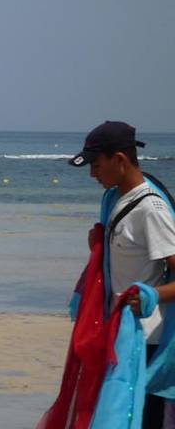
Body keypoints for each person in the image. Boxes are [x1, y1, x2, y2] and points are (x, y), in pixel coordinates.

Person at [65, 121, 175, 428]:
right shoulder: (115, 201)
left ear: (121, 160)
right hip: (119, 335)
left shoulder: (151, 209)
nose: (92, 174)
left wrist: (151, 295)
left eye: (97, 165)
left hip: (147, 342)